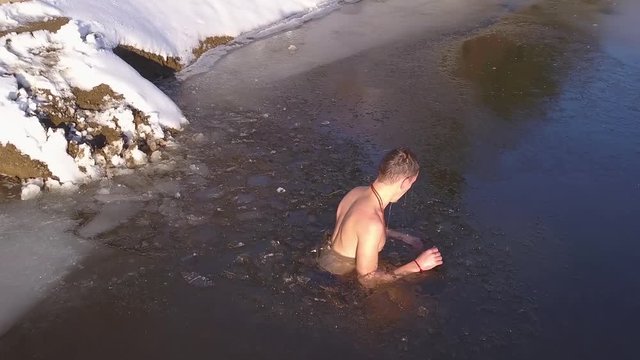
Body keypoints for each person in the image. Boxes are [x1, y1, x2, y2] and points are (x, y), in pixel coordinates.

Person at [318, 148, 443, 287]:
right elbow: (367, 280)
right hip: (337, 282)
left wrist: (403, 237)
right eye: (412, 183)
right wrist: (417, 265)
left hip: (325, 263)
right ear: (406, 182)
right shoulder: (372, 224)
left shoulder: (357, 192)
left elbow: (357, 231)